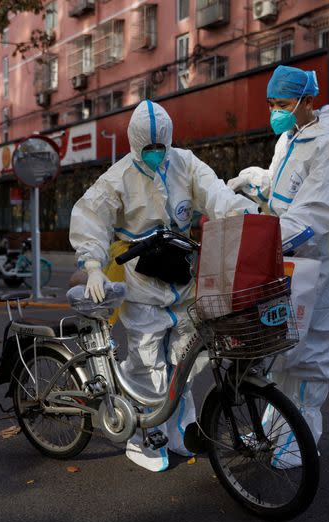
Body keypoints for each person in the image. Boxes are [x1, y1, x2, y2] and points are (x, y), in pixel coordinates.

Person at [70, 100, 257, 472]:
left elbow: (215, 194)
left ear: (169, 142)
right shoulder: (118, 178)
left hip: (182, 279)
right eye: (148, 148)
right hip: (142, 281)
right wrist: (93, 265)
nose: (156, 154)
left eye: (161, 147)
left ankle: (179, 429)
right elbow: (92, 219)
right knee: (147, 362)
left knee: (184, 361)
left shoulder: (185, 163)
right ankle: (143, 437)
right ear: (135, 143)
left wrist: (245, 216)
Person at [228, 65, 329, 454]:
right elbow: (282, 185)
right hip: (286, 257)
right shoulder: (290, 137)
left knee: (311, 351)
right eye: (271, 104)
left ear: (308, 101)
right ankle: (275, 431)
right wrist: (250, 181)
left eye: (284, 104)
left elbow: (312, 215)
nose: (276, 112)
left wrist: (258, 245)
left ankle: (297, 443)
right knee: (282, 347)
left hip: (315, 259)